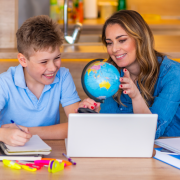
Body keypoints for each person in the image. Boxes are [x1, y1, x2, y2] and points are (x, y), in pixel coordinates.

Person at [79, 10, 180, 139]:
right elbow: (112, 129)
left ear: (140, 40)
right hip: (130, 150)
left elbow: (151, 132)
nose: (114, 49)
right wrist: (95, 116)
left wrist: (136, 97)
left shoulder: (173, 74)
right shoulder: (111, 75)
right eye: (109, 43)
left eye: (121, 40)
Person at [0, 15, 80, 146]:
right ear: (23, 60)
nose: (53, 67)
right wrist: (3, 134)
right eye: (44, 62)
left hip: (51, 152)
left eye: (57, 58)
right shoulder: (4, 83)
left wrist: (27, 131)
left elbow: (78, 126)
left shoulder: (63, 76)